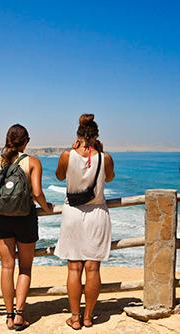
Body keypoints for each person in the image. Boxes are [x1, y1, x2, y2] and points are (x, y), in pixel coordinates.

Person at [0, 124, 53, 330]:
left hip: (2, 220)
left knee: (6, 267)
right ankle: (20, 315)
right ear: (26, 141)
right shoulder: (32, 162)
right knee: (25, 268)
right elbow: (38, 193)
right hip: (25, 219)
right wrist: (47, 208)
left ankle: (8, 315)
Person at [54, 114, 115, 330]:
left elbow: (59, 176)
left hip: (72, 213)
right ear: (96, 135)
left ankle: (75, 317)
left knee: (74, 268)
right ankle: (88, 317)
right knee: (93, 268)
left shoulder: (66, 155)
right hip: (97, 214)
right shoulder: (104, 157)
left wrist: (72, 151)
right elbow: (109, 178)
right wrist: (99, 150)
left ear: (78, 135)